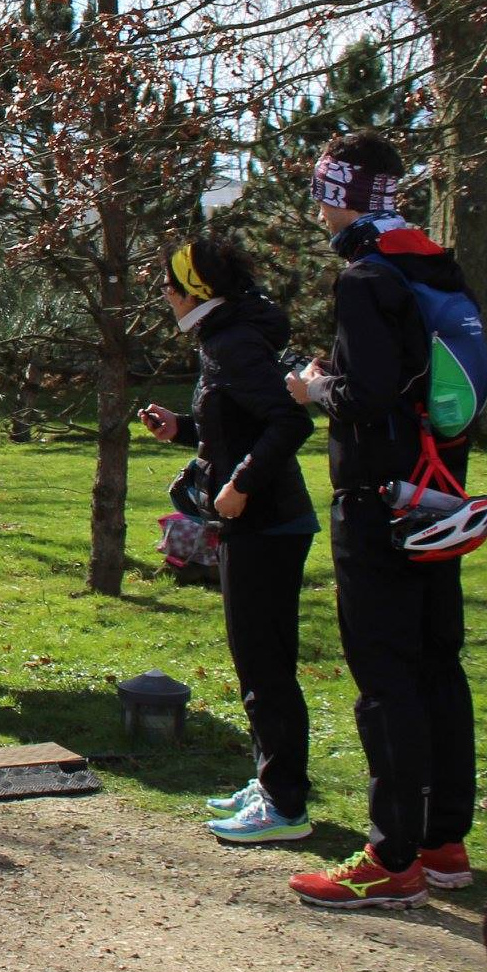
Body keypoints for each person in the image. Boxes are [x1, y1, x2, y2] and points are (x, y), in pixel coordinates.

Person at [285, 131, 479, 908]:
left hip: (377, 503)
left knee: (384, 672)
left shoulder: (363, 279)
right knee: (439, 659)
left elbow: (364, 393)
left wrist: (310, 389)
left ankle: (389, 853)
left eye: (321, 191)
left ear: (339, 195)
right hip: (439, 494)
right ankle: (444, 841)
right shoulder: (433, 264)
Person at [140, 237, 317, 844]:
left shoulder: (232, 342)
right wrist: (183, 429)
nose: (163, 295)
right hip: (259, 522)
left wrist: (239, 482)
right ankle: (271, 780)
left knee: (265, 666)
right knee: (259, 662)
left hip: (268, 523)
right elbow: (235, 420)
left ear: (197, 291)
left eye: (168, 285)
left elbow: (290, 420)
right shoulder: (226, 335)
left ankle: (285, 803)